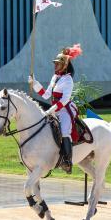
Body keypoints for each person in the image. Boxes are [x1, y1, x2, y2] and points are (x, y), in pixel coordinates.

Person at [29, 44, 82, 173]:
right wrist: (35, 83)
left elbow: (64, 100)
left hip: (65, 109)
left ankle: (67, 161)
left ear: (64, 65)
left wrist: (52, 109)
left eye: (57, 64)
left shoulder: (68, 80)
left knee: (64, 131)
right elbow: (47, 94)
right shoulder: (55, 77)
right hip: (54, 108)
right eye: (55, 63)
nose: (55, 65)